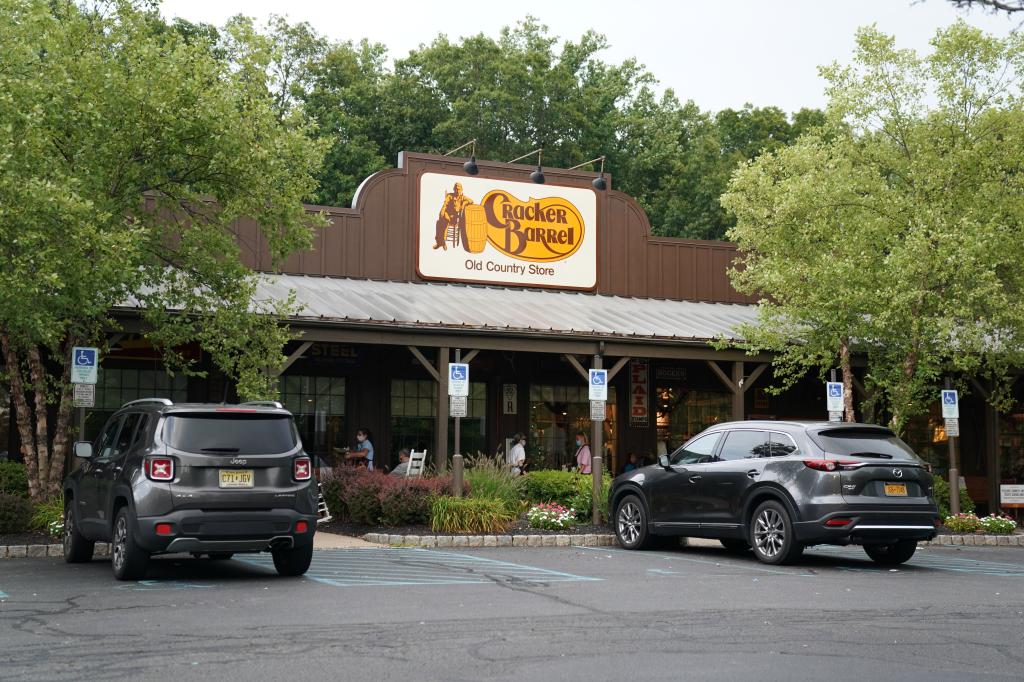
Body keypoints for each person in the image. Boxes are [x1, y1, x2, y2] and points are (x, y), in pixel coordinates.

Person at [433, 182, 474, 250]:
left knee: (441, 223)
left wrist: (464, 203)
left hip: (455, 218)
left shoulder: (463, 197)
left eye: (459, 189)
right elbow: (445, 205)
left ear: (461, 190)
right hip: (447, 214)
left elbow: (471, 201)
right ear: (454, 189)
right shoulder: (450, 196)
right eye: (456, 189)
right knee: (440, 222)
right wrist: (442, 213)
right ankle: (440, 242)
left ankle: (441, 243)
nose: (458, 190)